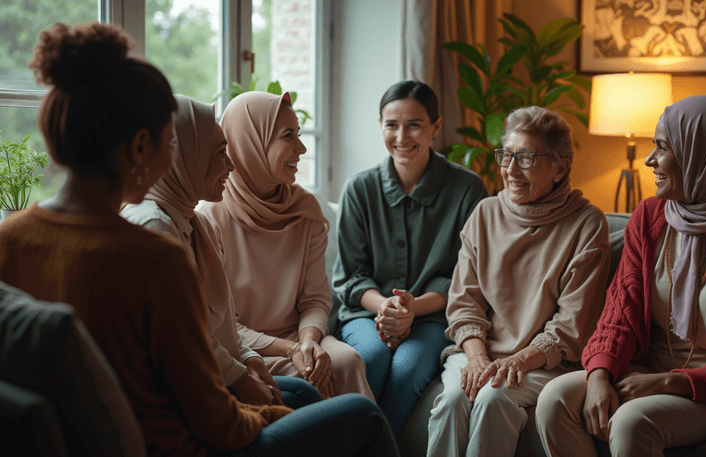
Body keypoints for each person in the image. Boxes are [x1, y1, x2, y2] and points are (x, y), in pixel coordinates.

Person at [0, 22, 399, 457]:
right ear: (139, 147)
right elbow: (216, 418)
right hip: (184, 443)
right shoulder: (153, 255)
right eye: (169, 143)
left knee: (307, 399)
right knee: (363, 418)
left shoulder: (9, 236)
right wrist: (277, 415)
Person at [535, 95, 706, 457]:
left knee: (631, 422)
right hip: (645, 368)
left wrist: (667, 383)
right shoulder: (650, 215)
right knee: (553, 399)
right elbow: (620, 312)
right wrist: (599, 374)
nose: (649, 160)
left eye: (662, 147)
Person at [426, 106, 610, 457]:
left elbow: (572, 326)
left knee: (493, 399)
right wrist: (477, 358)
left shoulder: (587, 224)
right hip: (479, 352)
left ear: (561, 167)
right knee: (451, 401)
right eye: (505, 156)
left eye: (525, 159)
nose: (510, 170)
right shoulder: (485, 213)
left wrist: (518, 361)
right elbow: (464, 301)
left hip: (545, 361)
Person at [121, 95, 321, 409]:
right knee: (360, 414)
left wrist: (251, 361)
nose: (231, 163)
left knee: (309, 394)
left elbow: (222, 328)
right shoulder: (153, 227)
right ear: (184, 156)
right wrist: (242, 381)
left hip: (221, 374)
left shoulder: (196, 223)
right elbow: (184, 340)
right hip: (193, 394)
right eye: (220, 152)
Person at [332, 80, 488, 433]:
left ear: (435, 126)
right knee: (368, 357)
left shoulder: (468, 189)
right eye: (392, 125)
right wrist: (387, 308)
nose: (402, 136)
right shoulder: (359, 189)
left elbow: (470, 277)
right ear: (380, 126)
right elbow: (351, 276)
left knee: (405, 369)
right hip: (369, 311)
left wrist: (412, 308)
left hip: (434, 316)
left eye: (414, 124)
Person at [197, 91, 372, 401]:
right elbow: (222, 326)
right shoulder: (210, 219)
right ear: (250, 142)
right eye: (287, 136)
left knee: (347, 361)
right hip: (245, 349)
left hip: (301, 337)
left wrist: (308, 342)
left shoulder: (306, 210)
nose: (302, 148)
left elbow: (315, 299)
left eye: (299, 134)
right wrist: (291, 351)